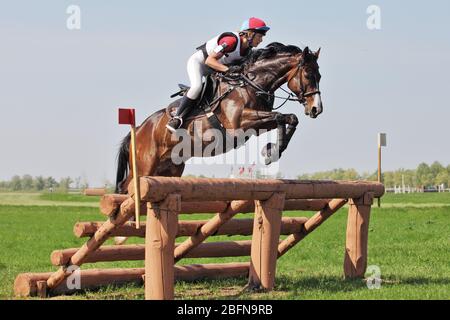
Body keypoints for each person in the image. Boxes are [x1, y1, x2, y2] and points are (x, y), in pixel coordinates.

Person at [166, 17, 270, 132]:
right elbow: (210, 61)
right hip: (200, 63)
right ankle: (177, 118)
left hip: (215, 69)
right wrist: (227, 70)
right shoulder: (231, 40)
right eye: (259, 36)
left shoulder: (248, 51)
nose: (261, 40)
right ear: (250, 34)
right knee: (196, 87)